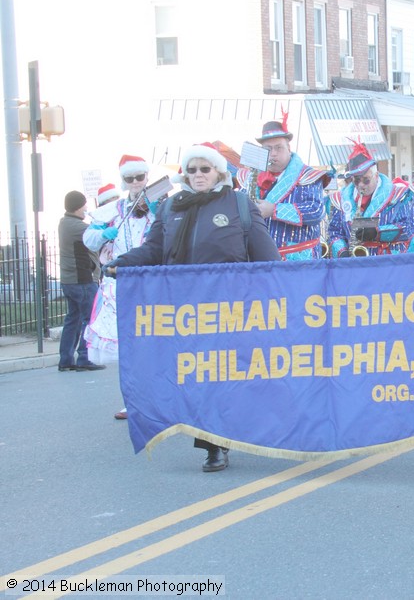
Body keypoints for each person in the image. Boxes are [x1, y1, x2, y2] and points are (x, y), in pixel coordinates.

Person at [108, 144, 281, 472]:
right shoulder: (172, 206)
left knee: (222, 380)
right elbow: (154, 249)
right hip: (185, 312)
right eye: (192, 170)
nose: (198, 175)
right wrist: (123, 263)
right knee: (198, 381)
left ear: (218, 172)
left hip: (229, 310)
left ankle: (226, 438)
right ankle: (214, 440)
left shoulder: (239, 205)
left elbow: (267, 259)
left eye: (205, 169)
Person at [83, 156, 159, 419]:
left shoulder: (159, 204)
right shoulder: (114, 210)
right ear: (124, 181)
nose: (136, 182)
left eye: (140, 177)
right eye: (130, 178)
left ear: (147, 177)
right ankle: (133, 401)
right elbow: (89, 238)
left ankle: (160, 400)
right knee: (129, 347)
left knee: (156, 345)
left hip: (153, 283)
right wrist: (103, 234)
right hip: (121, 283)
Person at [236, 117, 328, 260]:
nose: (273, 154)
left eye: (279, 148)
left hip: (298, 261)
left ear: (289, 149)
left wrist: (274, 210)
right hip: (260, 260)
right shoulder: (250, 178)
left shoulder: (308, 176)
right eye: (268, 149)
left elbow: (316, 210)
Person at [326, 140, 414, 255]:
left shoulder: (399, 196)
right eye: (356, 180)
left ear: (376, 175)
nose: (361, 185)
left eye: (366, 180)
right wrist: (342, 251)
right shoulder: (340, 200)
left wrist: (378, 232)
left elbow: (409, 228)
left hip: (386, 262)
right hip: (353, 263)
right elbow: (334, 232)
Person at [57, 191, 106, 373]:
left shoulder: (65, 223)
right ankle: (85, 358)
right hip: (82, 280)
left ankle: (66, 359)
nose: (86, 208)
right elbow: (98, 235)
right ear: (78, 206)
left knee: (73, 319)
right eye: (84, 205)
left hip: (69, 281)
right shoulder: (78, 227)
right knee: (90, 319)